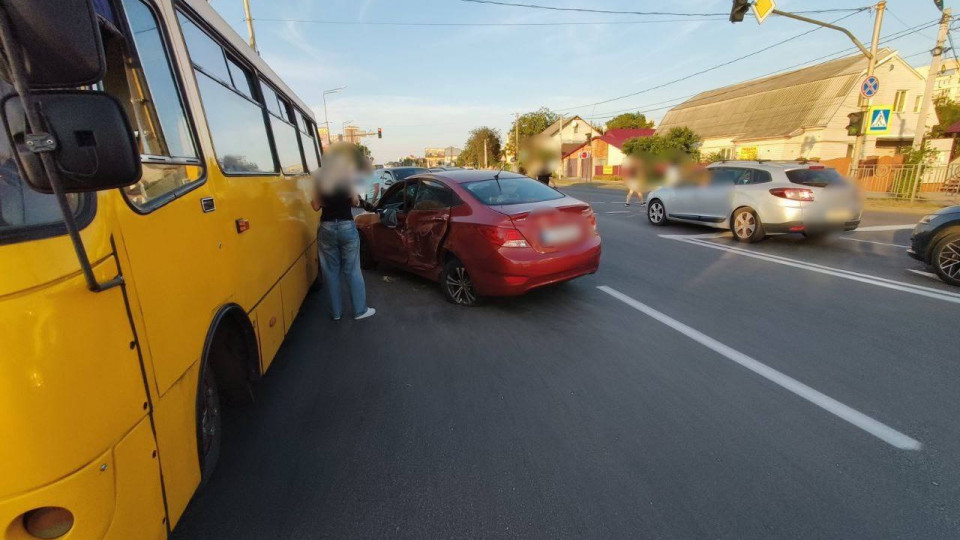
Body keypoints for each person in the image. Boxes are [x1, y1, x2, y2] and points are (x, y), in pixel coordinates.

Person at [312, 144, 375, 321]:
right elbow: (355, 201)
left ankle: (336, 313)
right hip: (347, 226)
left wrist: (327, 202)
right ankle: (360, 311)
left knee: (330, 272)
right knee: (353, 270)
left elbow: (315, 205)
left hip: (327, 228)